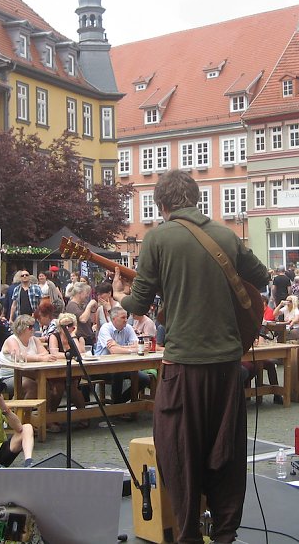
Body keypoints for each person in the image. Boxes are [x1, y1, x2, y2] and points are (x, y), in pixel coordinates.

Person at [112, 169, 269, 544]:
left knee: (178, 453)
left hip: (184, 366)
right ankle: (226, 533)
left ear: (161, 205)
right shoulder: (225, 235)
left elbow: (139, 303)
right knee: (226, 451)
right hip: (228, 365)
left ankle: (188, 536)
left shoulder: (158, 238)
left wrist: (120, 294)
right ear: (196, 199)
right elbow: (261, 276)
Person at [94, 306, 150, 404]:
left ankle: (119, 402)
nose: (126, 320)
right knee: (118, 373)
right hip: (102, 367)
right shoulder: (105, 328)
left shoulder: (128, 328)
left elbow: (138, 345)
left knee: (144, 379)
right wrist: (132, 349)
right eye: (123, 317)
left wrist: (119, 346)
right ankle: (117, 405)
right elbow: (114, 350)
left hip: (123, 366)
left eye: (126, 317)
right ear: (114, 319)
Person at [46, 312, 88, 431]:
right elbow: (54, 353)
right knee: (58, 387)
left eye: (70, 325)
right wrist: (69, 355)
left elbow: (80, 352)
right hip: (56, 371)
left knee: (73, 388)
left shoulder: (78, 337)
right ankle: (52, 417)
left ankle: (84, 416)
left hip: (73, 370)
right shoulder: (54, 336)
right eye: (64, 326)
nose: (67, 328)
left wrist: (73, 336)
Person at [0, 314, 56, 398]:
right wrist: (39, 358)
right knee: (31, 386)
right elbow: (19, 357)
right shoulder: (12, 340)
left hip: (27, 373)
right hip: (8, 376)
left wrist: (35, 357)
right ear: (21, 328)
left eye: (33, 326)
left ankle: (46, 407)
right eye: (30, 327)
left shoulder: (34, 339)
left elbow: (45, 354)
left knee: (46, 384)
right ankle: (23, 407)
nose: (33, 329)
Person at [66, 281, 98, 350]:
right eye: (86, 293)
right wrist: (89, 306)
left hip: (87, 338)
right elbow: (83, 319)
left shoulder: (81, 305)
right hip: (80, 340)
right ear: (79, 293)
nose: (87, 296)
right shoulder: (72, 305)